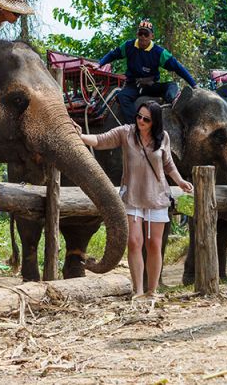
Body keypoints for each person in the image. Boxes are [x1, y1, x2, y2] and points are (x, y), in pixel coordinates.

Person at [79, 101, 192, 297]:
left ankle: (152, 290)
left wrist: (180, 181)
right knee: (133, 242)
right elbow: (100, 140)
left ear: (154, 122)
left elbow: (169, 164)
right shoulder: (126, 133)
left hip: (157, 196)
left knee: (154, 245)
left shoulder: (162, 137)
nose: (141, 121)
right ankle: (138, 290)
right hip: (131, 196)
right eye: (139, 116)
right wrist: (79, 136)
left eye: (146, 119)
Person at [94, 20, 198, 123]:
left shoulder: (159, 52)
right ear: (137, 34)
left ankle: (174, 101)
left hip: (150, 85)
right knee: (122, 96)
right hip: (133, 85)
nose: (143, 36)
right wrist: (99, 64)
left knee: (172, 86)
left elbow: (178, 67)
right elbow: (113, 54)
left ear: (152, 36)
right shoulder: (129, 46)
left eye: (146, 34)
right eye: (141, 33)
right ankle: (134, 125)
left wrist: (194, 85)